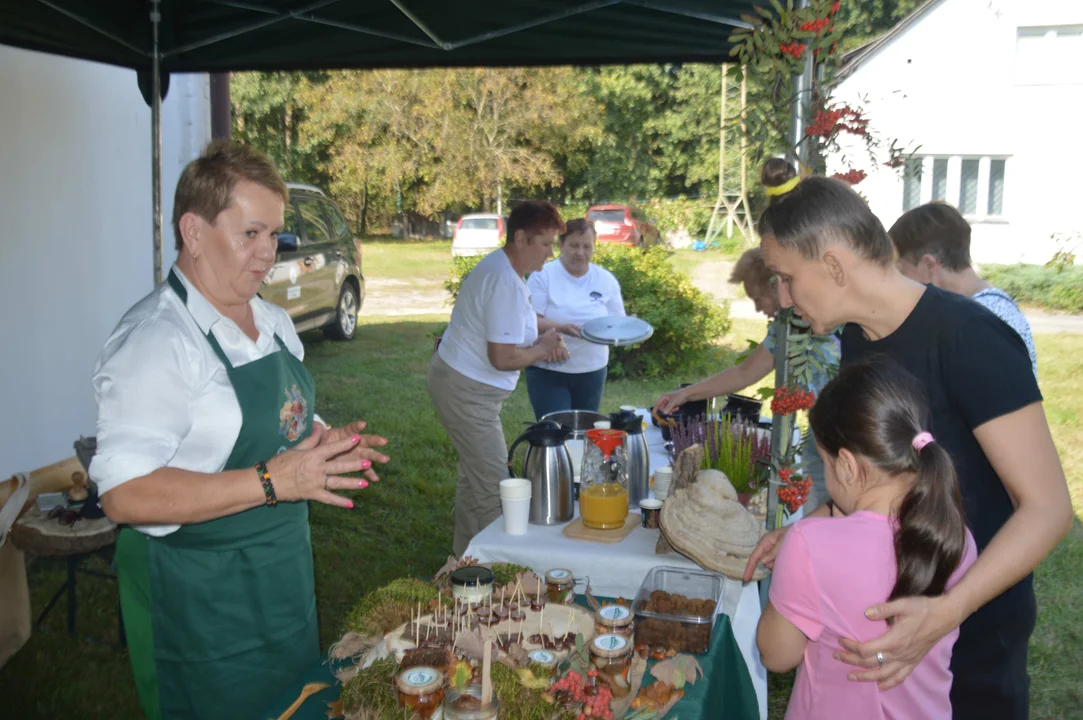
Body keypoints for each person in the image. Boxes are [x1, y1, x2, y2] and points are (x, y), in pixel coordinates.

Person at [749, 176, 1070, 719]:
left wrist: (946, 612)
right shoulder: (858, 336)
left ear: (833, 266)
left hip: (972, 630)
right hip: (898, 628)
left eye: (786, 279)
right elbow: (882, 472)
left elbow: (1049, 509)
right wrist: (824, 520)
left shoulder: (970, 338)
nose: (783, 299)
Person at [90, 141, 390, 719]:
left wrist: (321, 440)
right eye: (249, 234)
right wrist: (273, 480)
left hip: (279, 575)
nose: (266, 253)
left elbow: (280, 421)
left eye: (274, 235)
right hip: (197, 592)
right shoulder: (156, 342)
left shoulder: (273, 322)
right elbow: (124, 495)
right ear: (193, 231)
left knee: (289, 703)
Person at [757, 356, 977, 719]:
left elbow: (776, 655)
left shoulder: (810, 543)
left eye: (825, 463)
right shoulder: (956, 535)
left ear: (845, 465)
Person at [656, 160, 839, 512]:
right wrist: (686, 393)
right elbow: (744, 373)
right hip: (819, 446)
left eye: (759, 300)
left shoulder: (838, 325)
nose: (760, 309)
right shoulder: (785, 328)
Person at [428, 201, 569, 555]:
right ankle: (500, 574)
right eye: (546, 243)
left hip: (465, 387)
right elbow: (502, 357)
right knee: (495, 490)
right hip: (466, 393)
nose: (551, 253)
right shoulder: (503, 279)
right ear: (521, 238)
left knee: (474, 481)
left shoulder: (505, 270)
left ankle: (463, 564)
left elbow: (515, 324)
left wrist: (551, 331)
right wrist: (542, 349)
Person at [890, 201, 1038, 378]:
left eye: (901, 271)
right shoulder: (981, 308)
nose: (898, 281)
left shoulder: (980, 321)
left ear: (929, 265)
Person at [525, 218, 626, 419]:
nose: (580, 252)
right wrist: (560, 328)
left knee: (583, 433)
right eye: (573, 245)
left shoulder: (605, 280)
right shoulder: (542, 275)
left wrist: (627, 329)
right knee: (556, 431)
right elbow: (529, 322)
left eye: (587, 246)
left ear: (594, 247)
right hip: (548, 369)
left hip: (592, 370)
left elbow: (618, 323)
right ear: (561, 245)